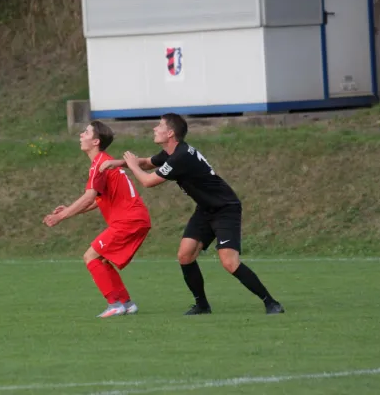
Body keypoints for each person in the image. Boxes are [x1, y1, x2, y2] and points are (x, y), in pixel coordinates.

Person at [100, 113, 284, 315]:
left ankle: (271, 303)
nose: (155, 128)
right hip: (205, 209)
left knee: (229, 262)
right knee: (185, 255)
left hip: (225, 208)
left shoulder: (181, 156)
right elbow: (146, 163)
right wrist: (118, 163)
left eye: (159, 125)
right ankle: (202, 306)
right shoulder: (173, 152)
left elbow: (147, 181)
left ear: (170, 133)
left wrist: (132, 165)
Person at [43, 121, 152, 318]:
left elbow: (89, 196)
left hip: (128, 220)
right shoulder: (104, 161)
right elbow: (98, 200)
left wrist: (60, 216)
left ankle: (114, 305)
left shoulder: (100, 165)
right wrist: (69, 210)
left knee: (90, 256)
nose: (81, 135)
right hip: (137, 219)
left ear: (95, 141)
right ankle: (126, 303)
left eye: (86, 132)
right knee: (101, 259)